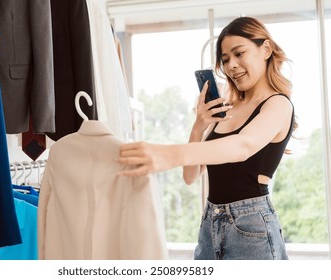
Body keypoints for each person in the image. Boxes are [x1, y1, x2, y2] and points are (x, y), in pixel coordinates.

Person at [116, 16, 296, 260]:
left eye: (239, 53)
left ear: (265, 49)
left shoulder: (278, 104)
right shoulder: (228, 107)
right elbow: (190, 176)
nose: (231, 65)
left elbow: (242, 146)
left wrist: (169, 153)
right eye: (225, 59)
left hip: (251, 224)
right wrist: (198, 127)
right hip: (211, 220)